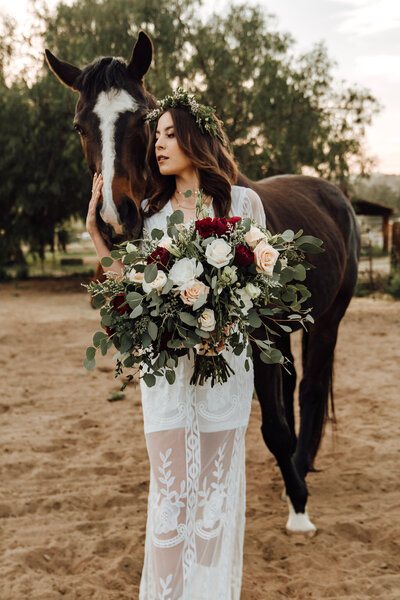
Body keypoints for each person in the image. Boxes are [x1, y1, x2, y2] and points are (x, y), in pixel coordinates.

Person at [86, 90, 266, 600]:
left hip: (224, 367)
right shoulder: (152, 210)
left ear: (194, 138)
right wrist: (97, 236)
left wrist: (223, 327)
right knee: (171, 496)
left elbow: (259, 294)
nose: (158, 145)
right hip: (165, 372)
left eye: (169, 134)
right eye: (156, 136)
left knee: (212, 500)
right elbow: (134, 286)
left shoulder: (243, 203)